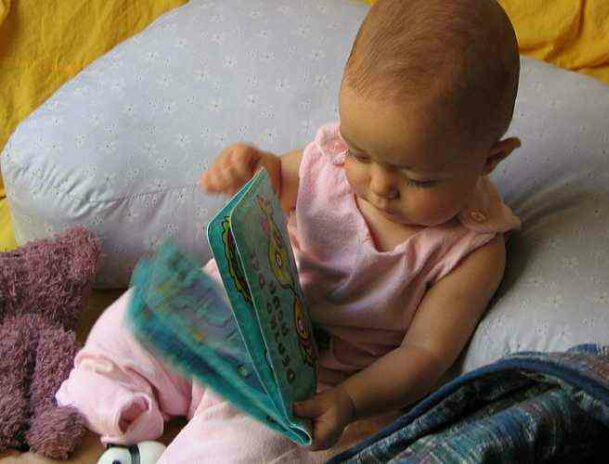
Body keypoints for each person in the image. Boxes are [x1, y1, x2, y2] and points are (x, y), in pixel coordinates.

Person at [57, 0, 522, 461]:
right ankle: (96, 416)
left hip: (313, 387)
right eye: (361, 153)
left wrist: (352, 401)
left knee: (250, 452)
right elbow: (277, 182)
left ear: (489, 159)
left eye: (417, 179)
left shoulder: (470, 250)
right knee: (129, 326)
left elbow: (425, 355)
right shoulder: (331, 155)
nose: (379, 186)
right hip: (226, 319)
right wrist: (254, 166)